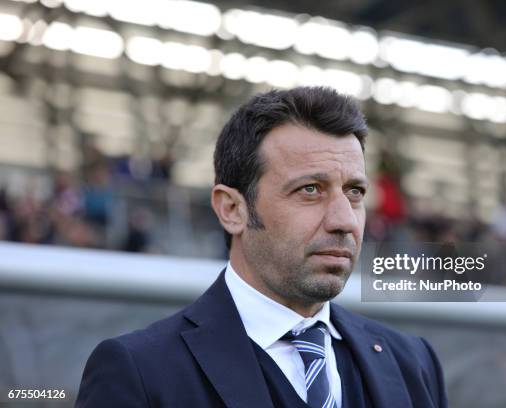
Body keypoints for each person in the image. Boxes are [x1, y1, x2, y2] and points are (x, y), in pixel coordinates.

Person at [76, 87, 447, 408]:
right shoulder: (140, 371)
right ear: (232, 209)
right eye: (310, 190)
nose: (344, 220)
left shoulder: (413, 363)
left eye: (355, 192)